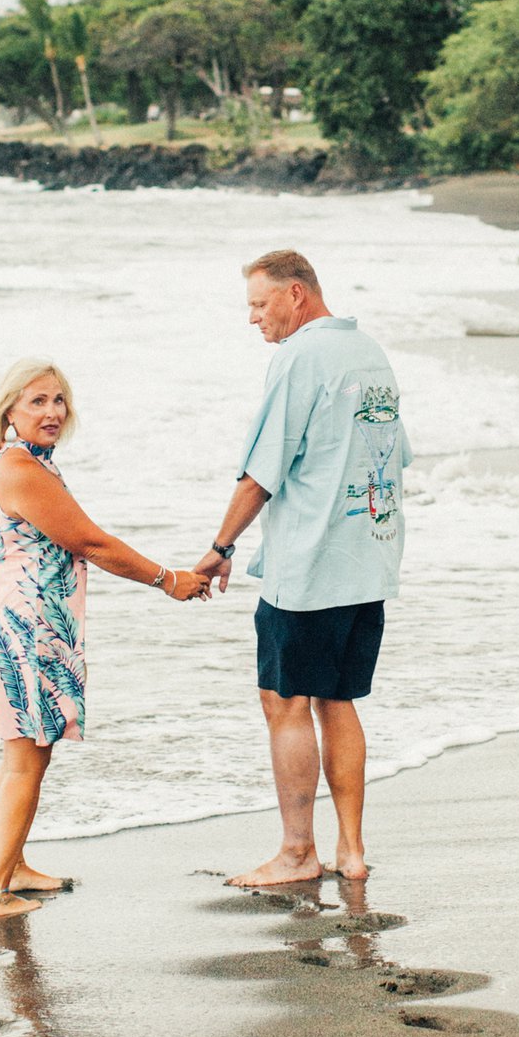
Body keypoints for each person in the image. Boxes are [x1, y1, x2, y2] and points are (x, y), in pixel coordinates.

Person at [193, 251, 408, 893]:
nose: (254, 320)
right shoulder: (371, 354)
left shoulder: (298, 358)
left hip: (310, 565)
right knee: (337, 702)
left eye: (260, 305)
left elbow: (264, 468)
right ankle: (353, 851)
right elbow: (395, 456)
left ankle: (296, 854)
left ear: (296, 294)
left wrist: (221, 545)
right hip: (368, 559)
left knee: (285, 703)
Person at [0, 359, 205, 919]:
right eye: (37, 402)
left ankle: (14, 865)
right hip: (24, 631)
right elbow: (93, 543)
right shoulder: (21, 470)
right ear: (10, 412)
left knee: (28, 755)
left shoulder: (17, 463)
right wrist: (167, 579)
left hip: (21, 622)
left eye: (58, 401)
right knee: (26, 757)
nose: (51, 412)